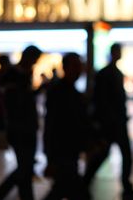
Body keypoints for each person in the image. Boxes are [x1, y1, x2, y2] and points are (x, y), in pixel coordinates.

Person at [84, 43, 133, 200]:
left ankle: (86, 183)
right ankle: (86, 183)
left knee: (111, 154)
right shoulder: (108, 73)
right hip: (112, 123)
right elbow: (102, 100)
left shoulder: (112, 72)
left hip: (114, 122)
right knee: (110, 154)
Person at [44, 52, 91, 200]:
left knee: (64, 189)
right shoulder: (60, 93)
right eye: (75, 66)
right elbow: (51, 125)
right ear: (65, 68)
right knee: (72, 190)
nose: (79, 70)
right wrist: (50, 157)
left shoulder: (72, 93)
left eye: (79, 66)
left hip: (69, 152)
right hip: (63, 152)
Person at [0, 45, 42, 200]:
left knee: (26, 167)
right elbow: (15, 101)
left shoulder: (22, 74)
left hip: (25, 126)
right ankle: (0, 193)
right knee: (25, 167)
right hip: (19, 127)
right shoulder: (14, 75)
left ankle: (24, 195)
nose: (34, 63)